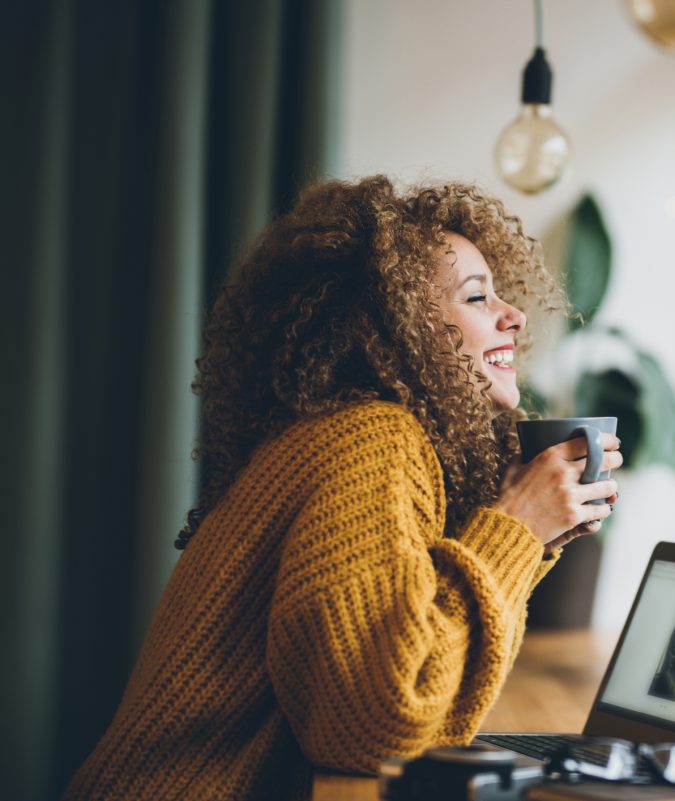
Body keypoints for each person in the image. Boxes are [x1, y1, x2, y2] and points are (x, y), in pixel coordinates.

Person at [63, 176, 621, 800]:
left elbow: (415, 668)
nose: (513, 315)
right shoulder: (370, 440)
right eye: (476, 297)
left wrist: (533, 538)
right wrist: (514, 527)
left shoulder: (358, 433)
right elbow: (376, 725)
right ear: (399, 321)